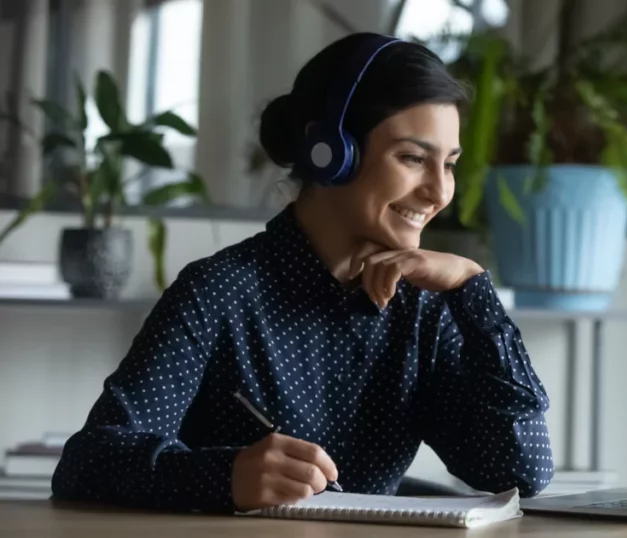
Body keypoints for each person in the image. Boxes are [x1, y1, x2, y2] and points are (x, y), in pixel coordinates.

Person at [51, 32, 554, 513]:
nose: (439, 192)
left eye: (449, 164)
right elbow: (88, 464)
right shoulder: (218, 292)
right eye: (412, 158)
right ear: (329, 151)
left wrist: (472, 289)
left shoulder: (425, 308)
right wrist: (227, 477)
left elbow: (522, 470)